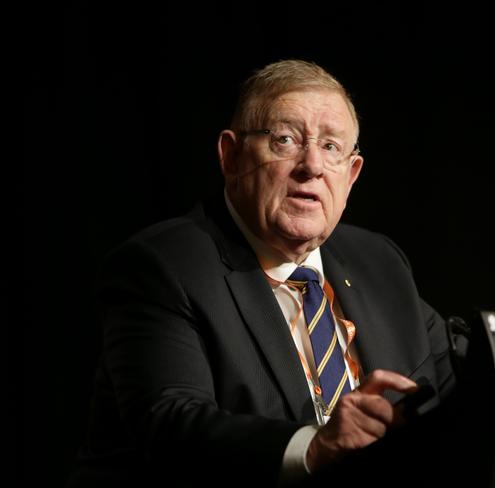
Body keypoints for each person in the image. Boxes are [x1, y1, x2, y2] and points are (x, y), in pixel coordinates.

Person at [67, 59, 457, 487]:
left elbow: (453, 380)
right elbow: (170, 425)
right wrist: (314, 446)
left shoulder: (379, 261)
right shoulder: (163, 265)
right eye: (285, 140)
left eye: (331, 147)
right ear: (231, 156)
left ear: (352, 174)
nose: (312, 166)